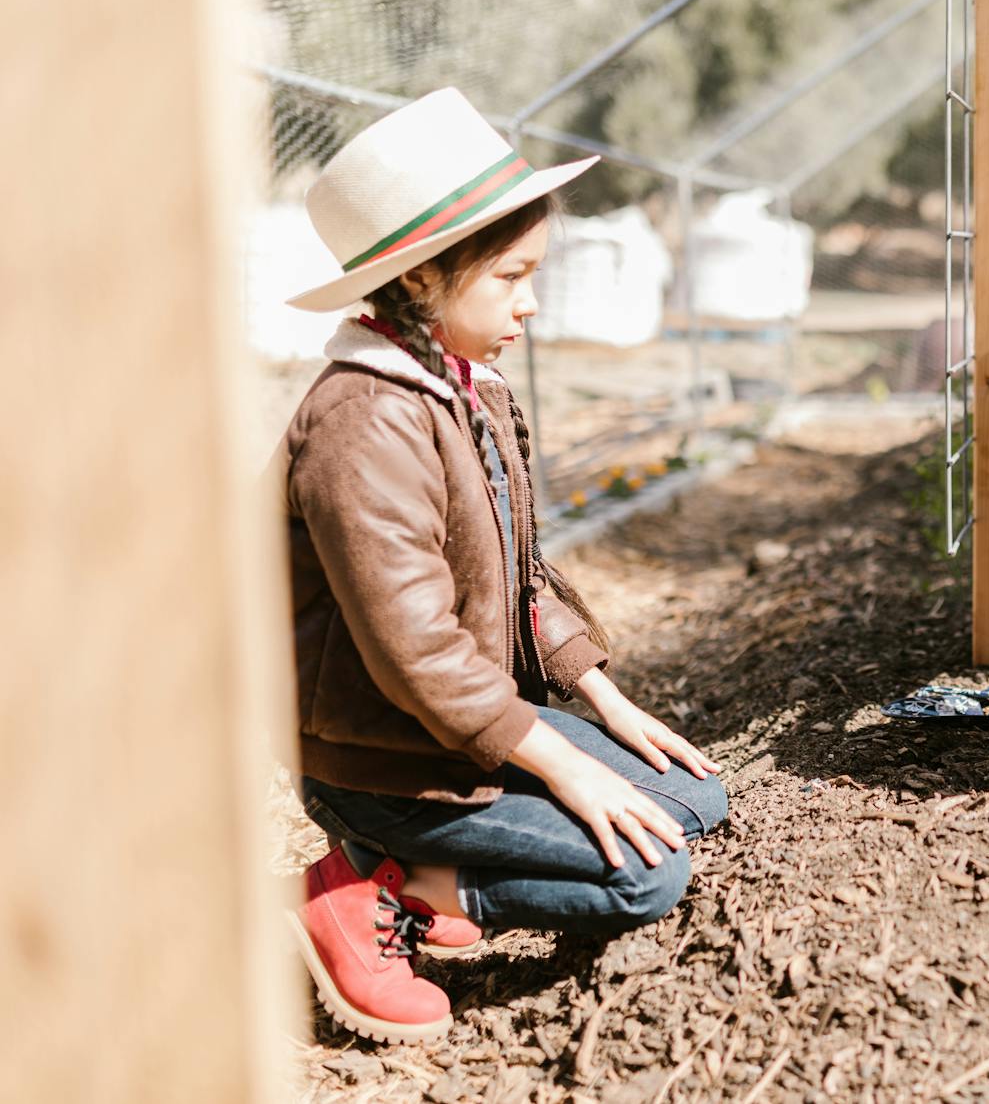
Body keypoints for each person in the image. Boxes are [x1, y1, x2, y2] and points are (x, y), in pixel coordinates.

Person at [279, 89, 727, 1045]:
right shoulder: (363, 423)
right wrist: (564, 765)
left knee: (694, 801)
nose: (530, 302)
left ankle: (393, 868)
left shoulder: (465, 387)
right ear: (427, 277)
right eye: (510, 276)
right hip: (388, 762)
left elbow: (518, 574)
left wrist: (605, 701)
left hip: (457, 740)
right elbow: (419, 654)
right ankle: (372, 888)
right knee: (647, 873)